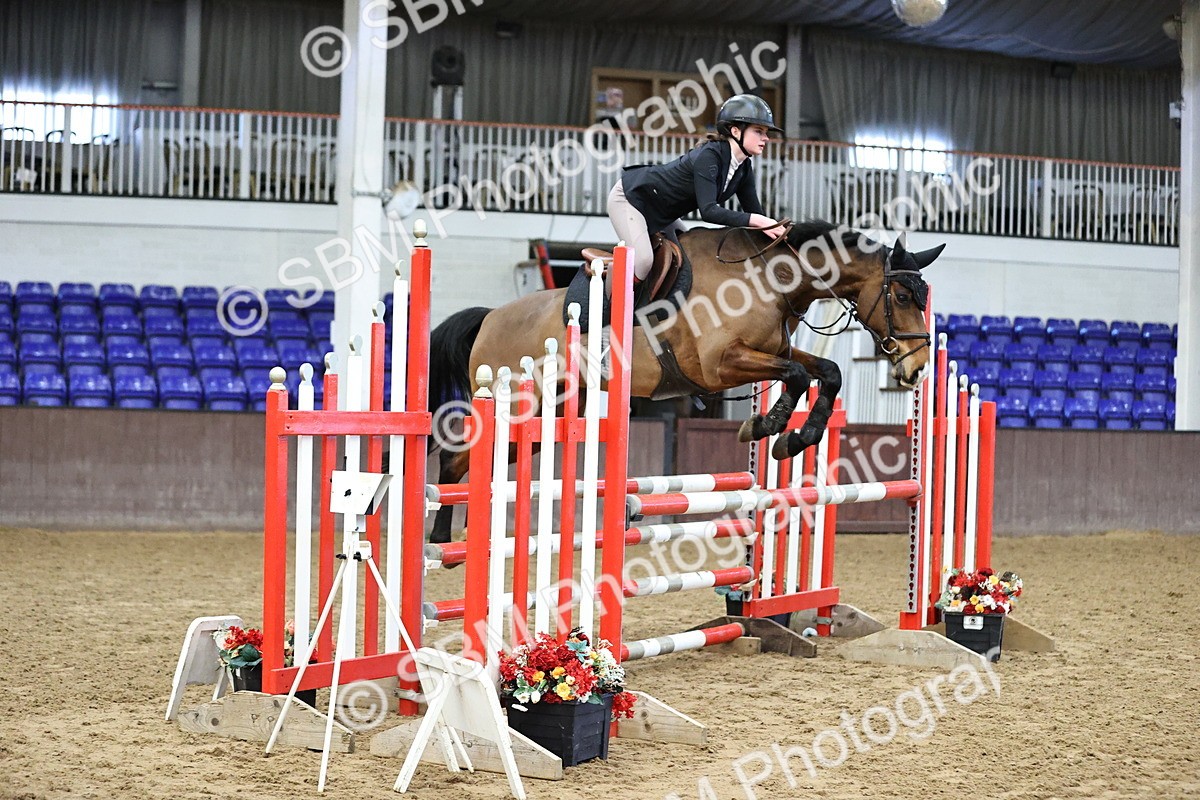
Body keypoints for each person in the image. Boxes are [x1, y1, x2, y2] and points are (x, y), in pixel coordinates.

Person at [607, 94, 787, 289]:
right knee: (643, 261)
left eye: (766, 132)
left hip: (663, 212)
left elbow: (756, 214)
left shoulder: (743, 168)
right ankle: (603, 313)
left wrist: (781, 233)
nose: (766, 138)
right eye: (759, 131)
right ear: (735, 131)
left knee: (690, 257)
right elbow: (708, 211)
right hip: (631, 199)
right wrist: (760, 222)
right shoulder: (709, 156)